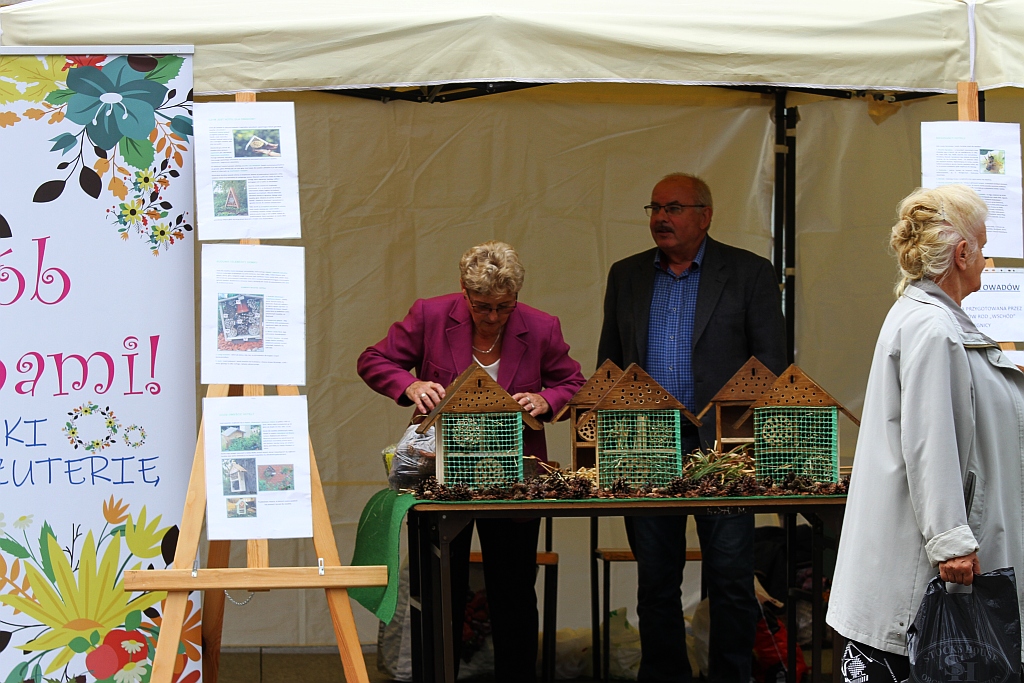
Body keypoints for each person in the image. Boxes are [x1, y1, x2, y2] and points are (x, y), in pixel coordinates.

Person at [357, 241, 586, 682]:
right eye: (482, 306)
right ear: (464, 290)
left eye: (504, 307)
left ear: (516, 296)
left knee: (514, 593)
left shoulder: (541, 327)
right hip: (441, 477)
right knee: (441, 591)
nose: (493, 317)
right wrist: (410, 385)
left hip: (513, 481)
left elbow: (573, 382)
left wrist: (547, 399)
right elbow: (373, 359)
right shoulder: (430, 315)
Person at [827, 185, 1024, 680]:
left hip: (930, 568)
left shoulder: (930, 319)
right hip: (922, 576)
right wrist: (951, 541)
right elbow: (929, 441)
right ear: (962, 254)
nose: (987, 261)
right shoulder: (933, 328)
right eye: (983, 247)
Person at [597, 172, 787, 682]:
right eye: (655, 208)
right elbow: (609, 366)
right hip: (646, 447)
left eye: (674, 208)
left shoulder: (748, 272)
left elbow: (771, 363)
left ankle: (730, 675)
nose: (661, 218)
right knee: (656, 580)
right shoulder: (626, 275)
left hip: (722, 449)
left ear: (705, 216)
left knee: (730, 577)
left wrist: (750, 442)